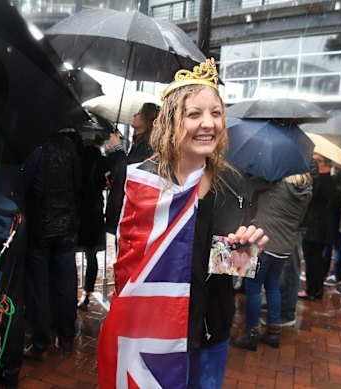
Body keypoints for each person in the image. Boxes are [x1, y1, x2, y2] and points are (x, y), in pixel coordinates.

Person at [96, 58, 269, 389]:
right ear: (172, 121)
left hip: (209, 331)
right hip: (150, 332)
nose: (209, 123)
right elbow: (129, 266)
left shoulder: (233, 184)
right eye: (195, 114)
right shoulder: (139, 180)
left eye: (216, 113)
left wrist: (246, 251)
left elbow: (228, 269)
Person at [230, 172, 312, 351]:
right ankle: (273, 332)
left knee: (253, 288)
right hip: (285, 247)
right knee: (273, 287)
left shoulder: (273, 183)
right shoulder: (307, 189)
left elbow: (247, 186)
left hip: (264, 244)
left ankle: (250, 334)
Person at [23, 132, 81, 356]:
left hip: (41, 227)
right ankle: (66, 338)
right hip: (66, 226)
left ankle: (40, 341)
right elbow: (78, 183)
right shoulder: (68, 145)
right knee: (66, 283)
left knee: (39, 287)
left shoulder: (35, 146)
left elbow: (28, 185)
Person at [105, 102, 160, 234]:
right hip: (126, 211)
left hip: (134, 216)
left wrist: (118, 149)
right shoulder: (138, 144)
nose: (135, 115)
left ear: (148, 119)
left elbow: (131, 171)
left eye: (140, 113)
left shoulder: (149, 146)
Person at [299, 153, 338, 301]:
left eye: (316, 160)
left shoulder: (320, 181)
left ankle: (312, 291)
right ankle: (316, 290)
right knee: (316, 260)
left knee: (312, 260)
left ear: (323, 163)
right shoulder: (331, 181)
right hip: (324, 227)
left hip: (315, 227)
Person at [77, 135, 110, 309]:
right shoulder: (103, 161)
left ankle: (69, 294)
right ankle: (86, 293)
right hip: (95, 212)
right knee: (92, 256)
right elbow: (109, 183)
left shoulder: (78, 158)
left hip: (78, 211)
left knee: (70, 255)